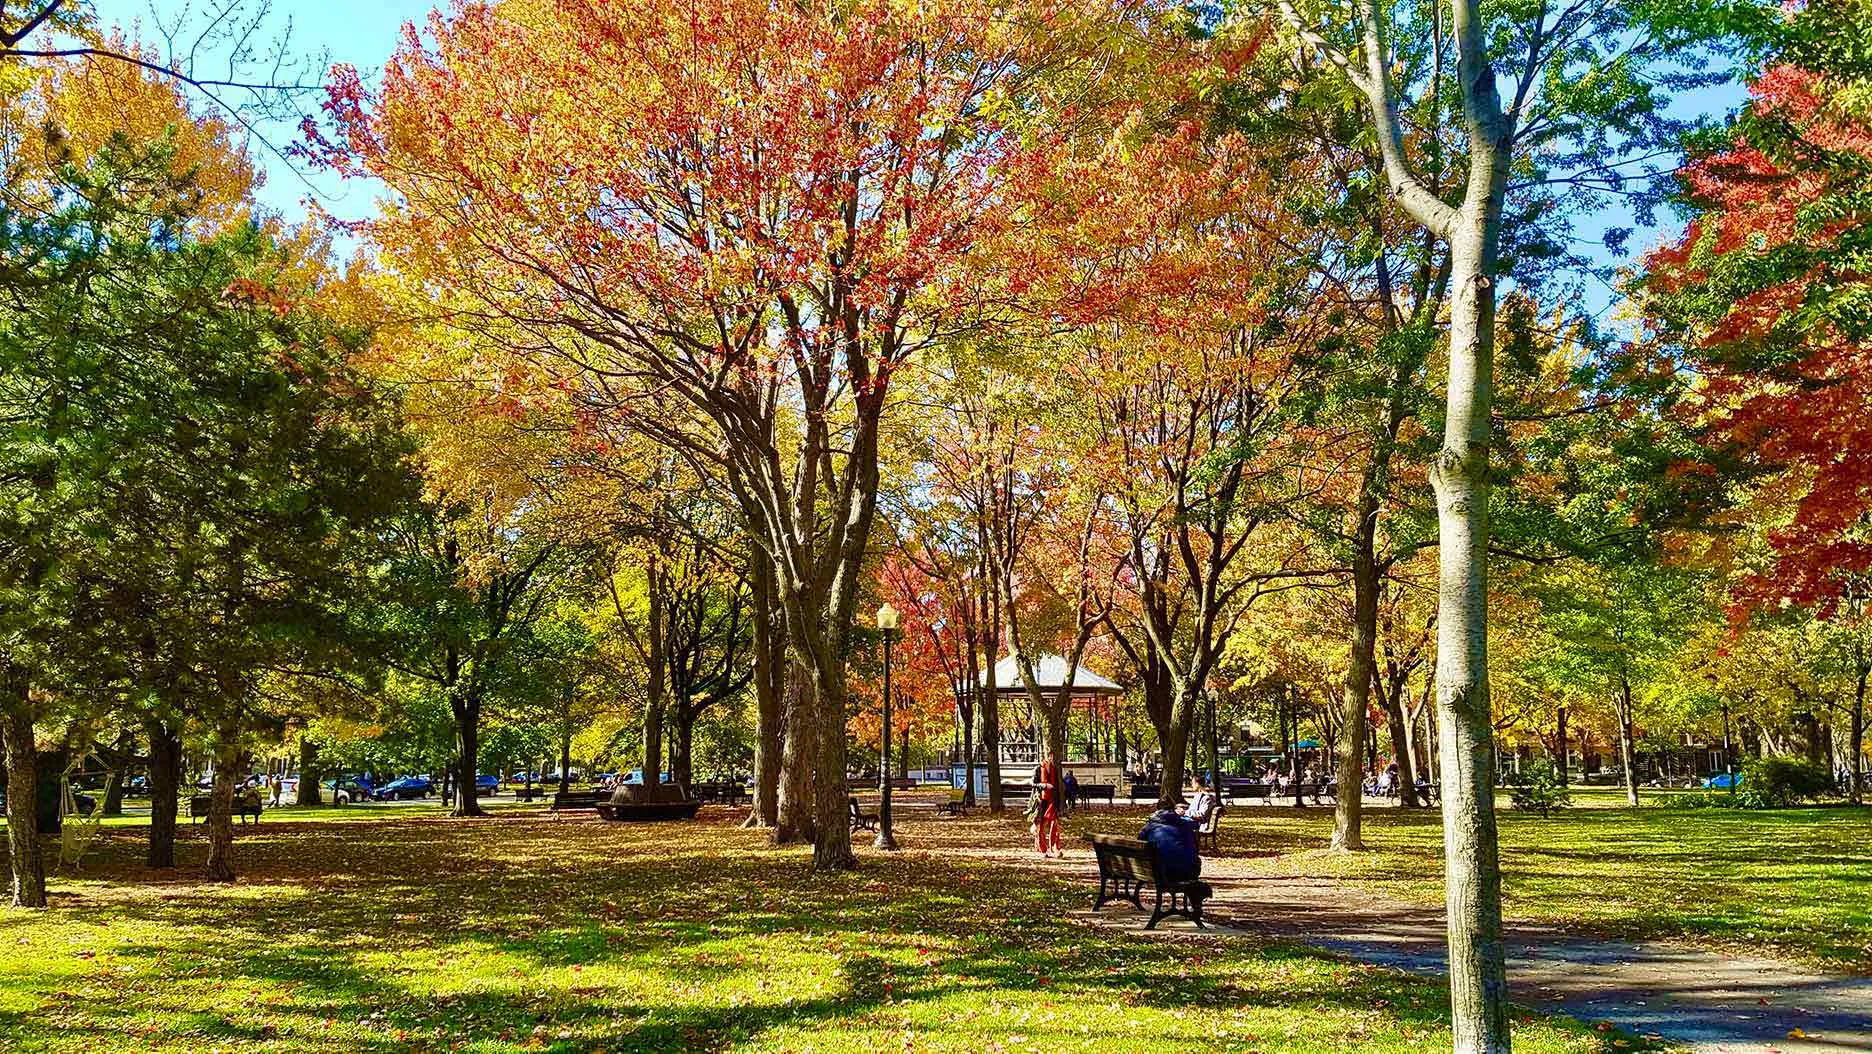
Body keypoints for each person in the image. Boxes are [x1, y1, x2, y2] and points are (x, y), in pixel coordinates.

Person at [1139, 798, 1212, 903]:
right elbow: (1195, 849)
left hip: (1158, 873)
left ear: (1157, 809)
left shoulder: (1149, 827)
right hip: (1187, 872)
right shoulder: (1185, 825)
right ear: (1173, 809)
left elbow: (1141, 845)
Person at [1029, 757, 1064, 858]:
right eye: (1049, 755)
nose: (1051, 758)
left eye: (1052, 755)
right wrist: (1044, 786)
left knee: (1054, 824)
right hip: (1041, 800)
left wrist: (1061, 803)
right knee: (1041, 826)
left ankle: (1055, 848)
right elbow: (1032, 783)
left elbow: (1058, 786)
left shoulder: (1054, 769)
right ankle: (1043, 850)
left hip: (1052, 801)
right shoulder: (1038, 769)